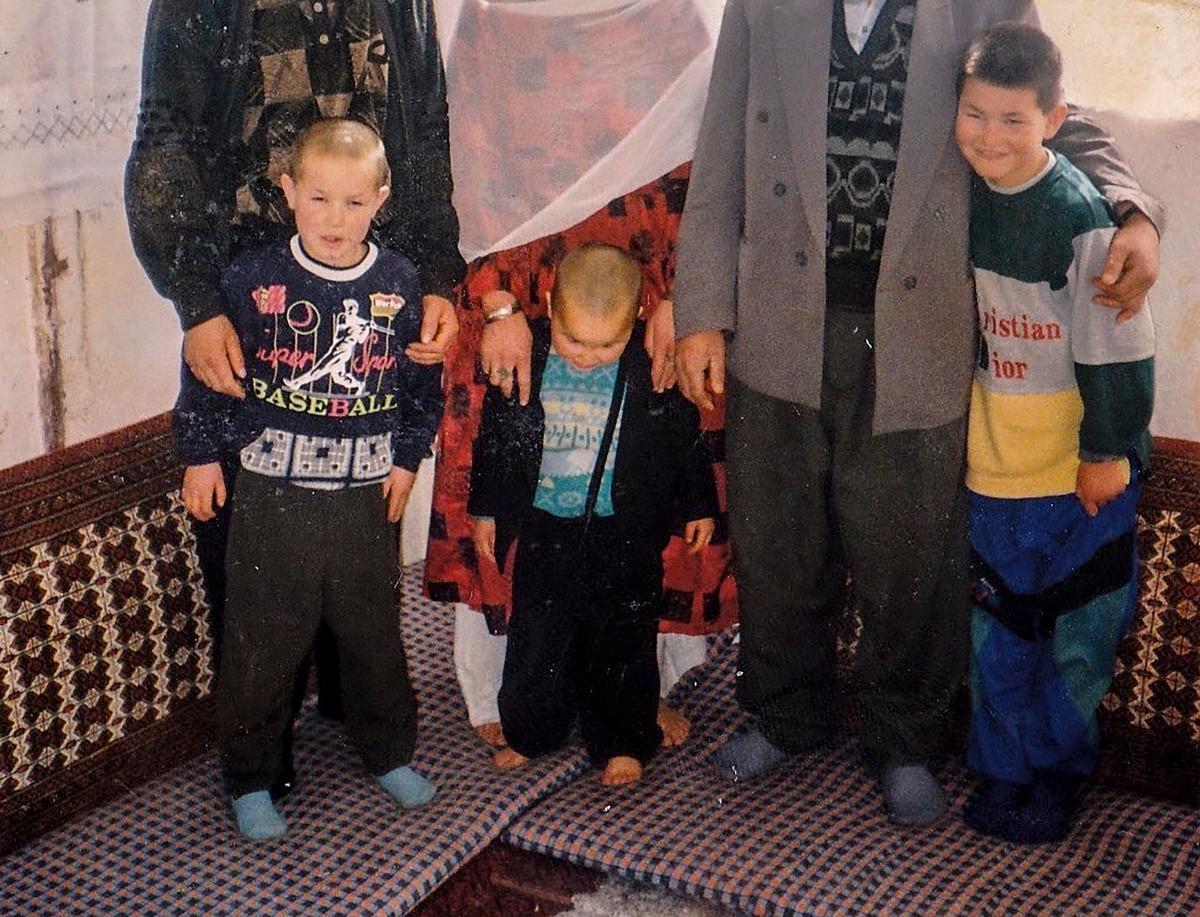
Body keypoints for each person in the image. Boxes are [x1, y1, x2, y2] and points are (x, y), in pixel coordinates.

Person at [671, 0, 1164, 826]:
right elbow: (719, 149)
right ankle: (787, 716)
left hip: (921, 322)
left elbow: (1050, 110)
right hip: (779, 313)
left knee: (912, 555)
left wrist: (1133, 210)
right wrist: (700, 313)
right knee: (779, 540)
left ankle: (904, 740)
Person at [125, 0, 465, 797]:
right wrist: (197, 303)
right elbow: (167, 139)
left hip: (372, 292)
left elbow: (424, 132)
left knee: (362, 538)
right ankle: (258, 765)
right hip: (252, 303)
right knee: (249, 564)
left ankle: (362, 721)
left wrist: (436, 274)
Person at [176, 119, 443, 840]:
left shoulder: (399, 283)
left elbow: (422, 389)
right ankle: (250, 778)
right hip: (273, 497)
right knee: (261, 644)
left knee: (374, 638)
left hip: (364, 500)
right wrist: (201, 454)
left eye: (354, 203)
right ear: (288, 191)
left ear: (380, 200)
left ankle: (388, 752)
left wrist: (408, 459)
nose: (335, 219)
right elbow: (205, 375)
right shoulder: (253, 278)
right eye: (319, 198)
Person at [952, 22, 1154, 844]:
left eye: (1014, 119)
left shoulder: (1078, 213)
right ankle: (1002, 768)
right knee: (998, 630)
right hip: (995, 467)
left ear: (1054, 119)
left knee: (1078, 635)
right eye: (974, 114)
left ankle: (1058, 774)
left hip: (1079, 475)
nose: (990, 137)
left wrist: (1108, 449)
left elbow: (1119, 345)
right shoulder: (962, 196)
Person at [468, 244, 719, 786]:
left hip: (624, 533)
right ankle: (532, 732)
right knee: (536, 638)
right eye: (574, 340)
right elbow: (496, 436)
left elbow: (684, 435)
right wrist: (486, 510)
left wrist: (699, 505)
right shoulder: (529, 354)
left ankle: (624, 739)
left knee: (624, 640)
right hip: (544, 528)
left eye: (607, 344)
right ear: (550, 307)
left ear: (637, 320)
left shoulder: (649, 364)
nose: (586, 356)